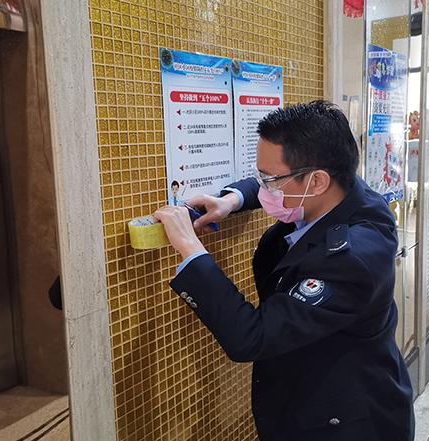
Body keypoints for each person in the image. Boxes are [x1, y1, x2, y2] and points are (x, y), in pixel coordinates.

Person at [154, 101, 414, 441]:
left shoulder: (351, 259)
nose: (263, 188)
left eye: (270, 180)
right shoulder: (344, 189)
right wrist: (231, 199)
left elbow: (251, 337)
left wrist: (191, 249)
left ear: (317, 181)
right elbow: (279, 181)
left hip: (346, 423)